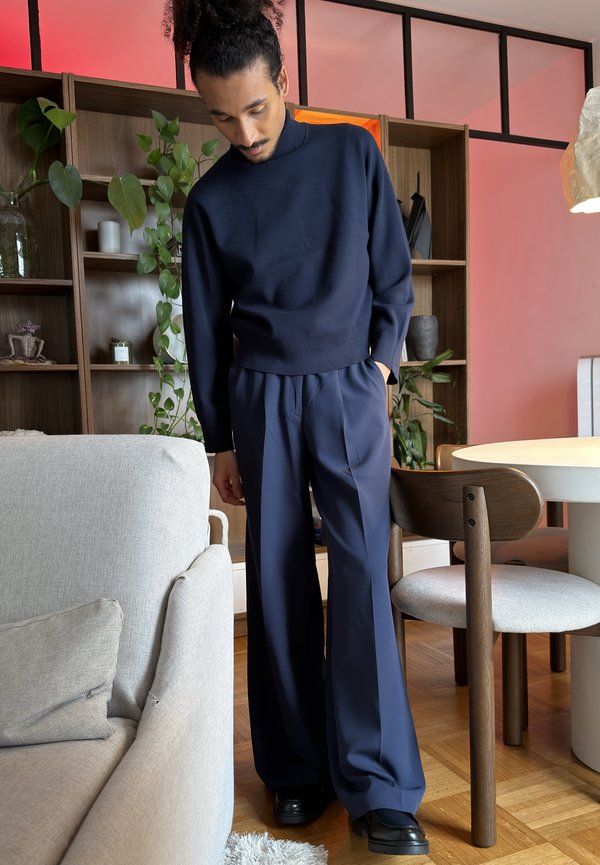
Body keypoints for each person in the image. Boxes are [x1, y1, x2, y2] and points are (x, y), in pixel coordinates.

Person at [167, 0, 429, 855]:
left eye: (256, 107)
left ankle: (380, 782)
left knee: (359, 577)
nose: (241, 132)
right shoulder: (208, 204)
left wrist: (379, 369)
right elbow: (205, 329)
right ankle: (296, 771)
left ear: (286, 82)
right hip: (261, 400)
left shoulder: (353, 153)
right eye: (219, 116)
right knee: (277, 588)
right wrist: (218, 439)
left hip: (348, 391)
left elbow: (393, 278)